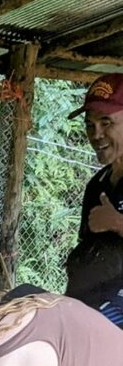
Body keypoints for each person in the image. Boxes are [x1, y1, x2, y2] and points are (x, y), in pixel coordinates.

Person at [66, 73, 123, 325]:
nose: (96, 134)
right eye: (89, 125)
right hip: (89, 308)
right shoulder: (96, 185)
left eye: (106, 122)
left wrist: (117, 223)